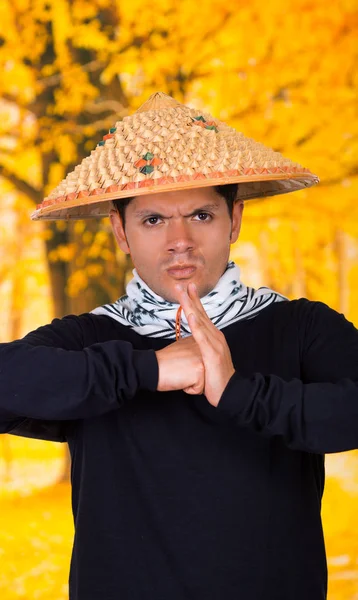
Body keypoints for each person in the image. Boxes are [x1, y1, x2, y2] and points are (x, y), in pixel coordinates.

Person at [1, 92, 357, 600]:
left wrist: (238, 391)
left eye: (201, 215)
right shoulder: (90, 339)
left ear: (234, 219)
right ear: (120, 231)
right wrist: (148, 371)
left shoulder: (299, 328)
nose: (180, 239)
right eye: (152, 220)